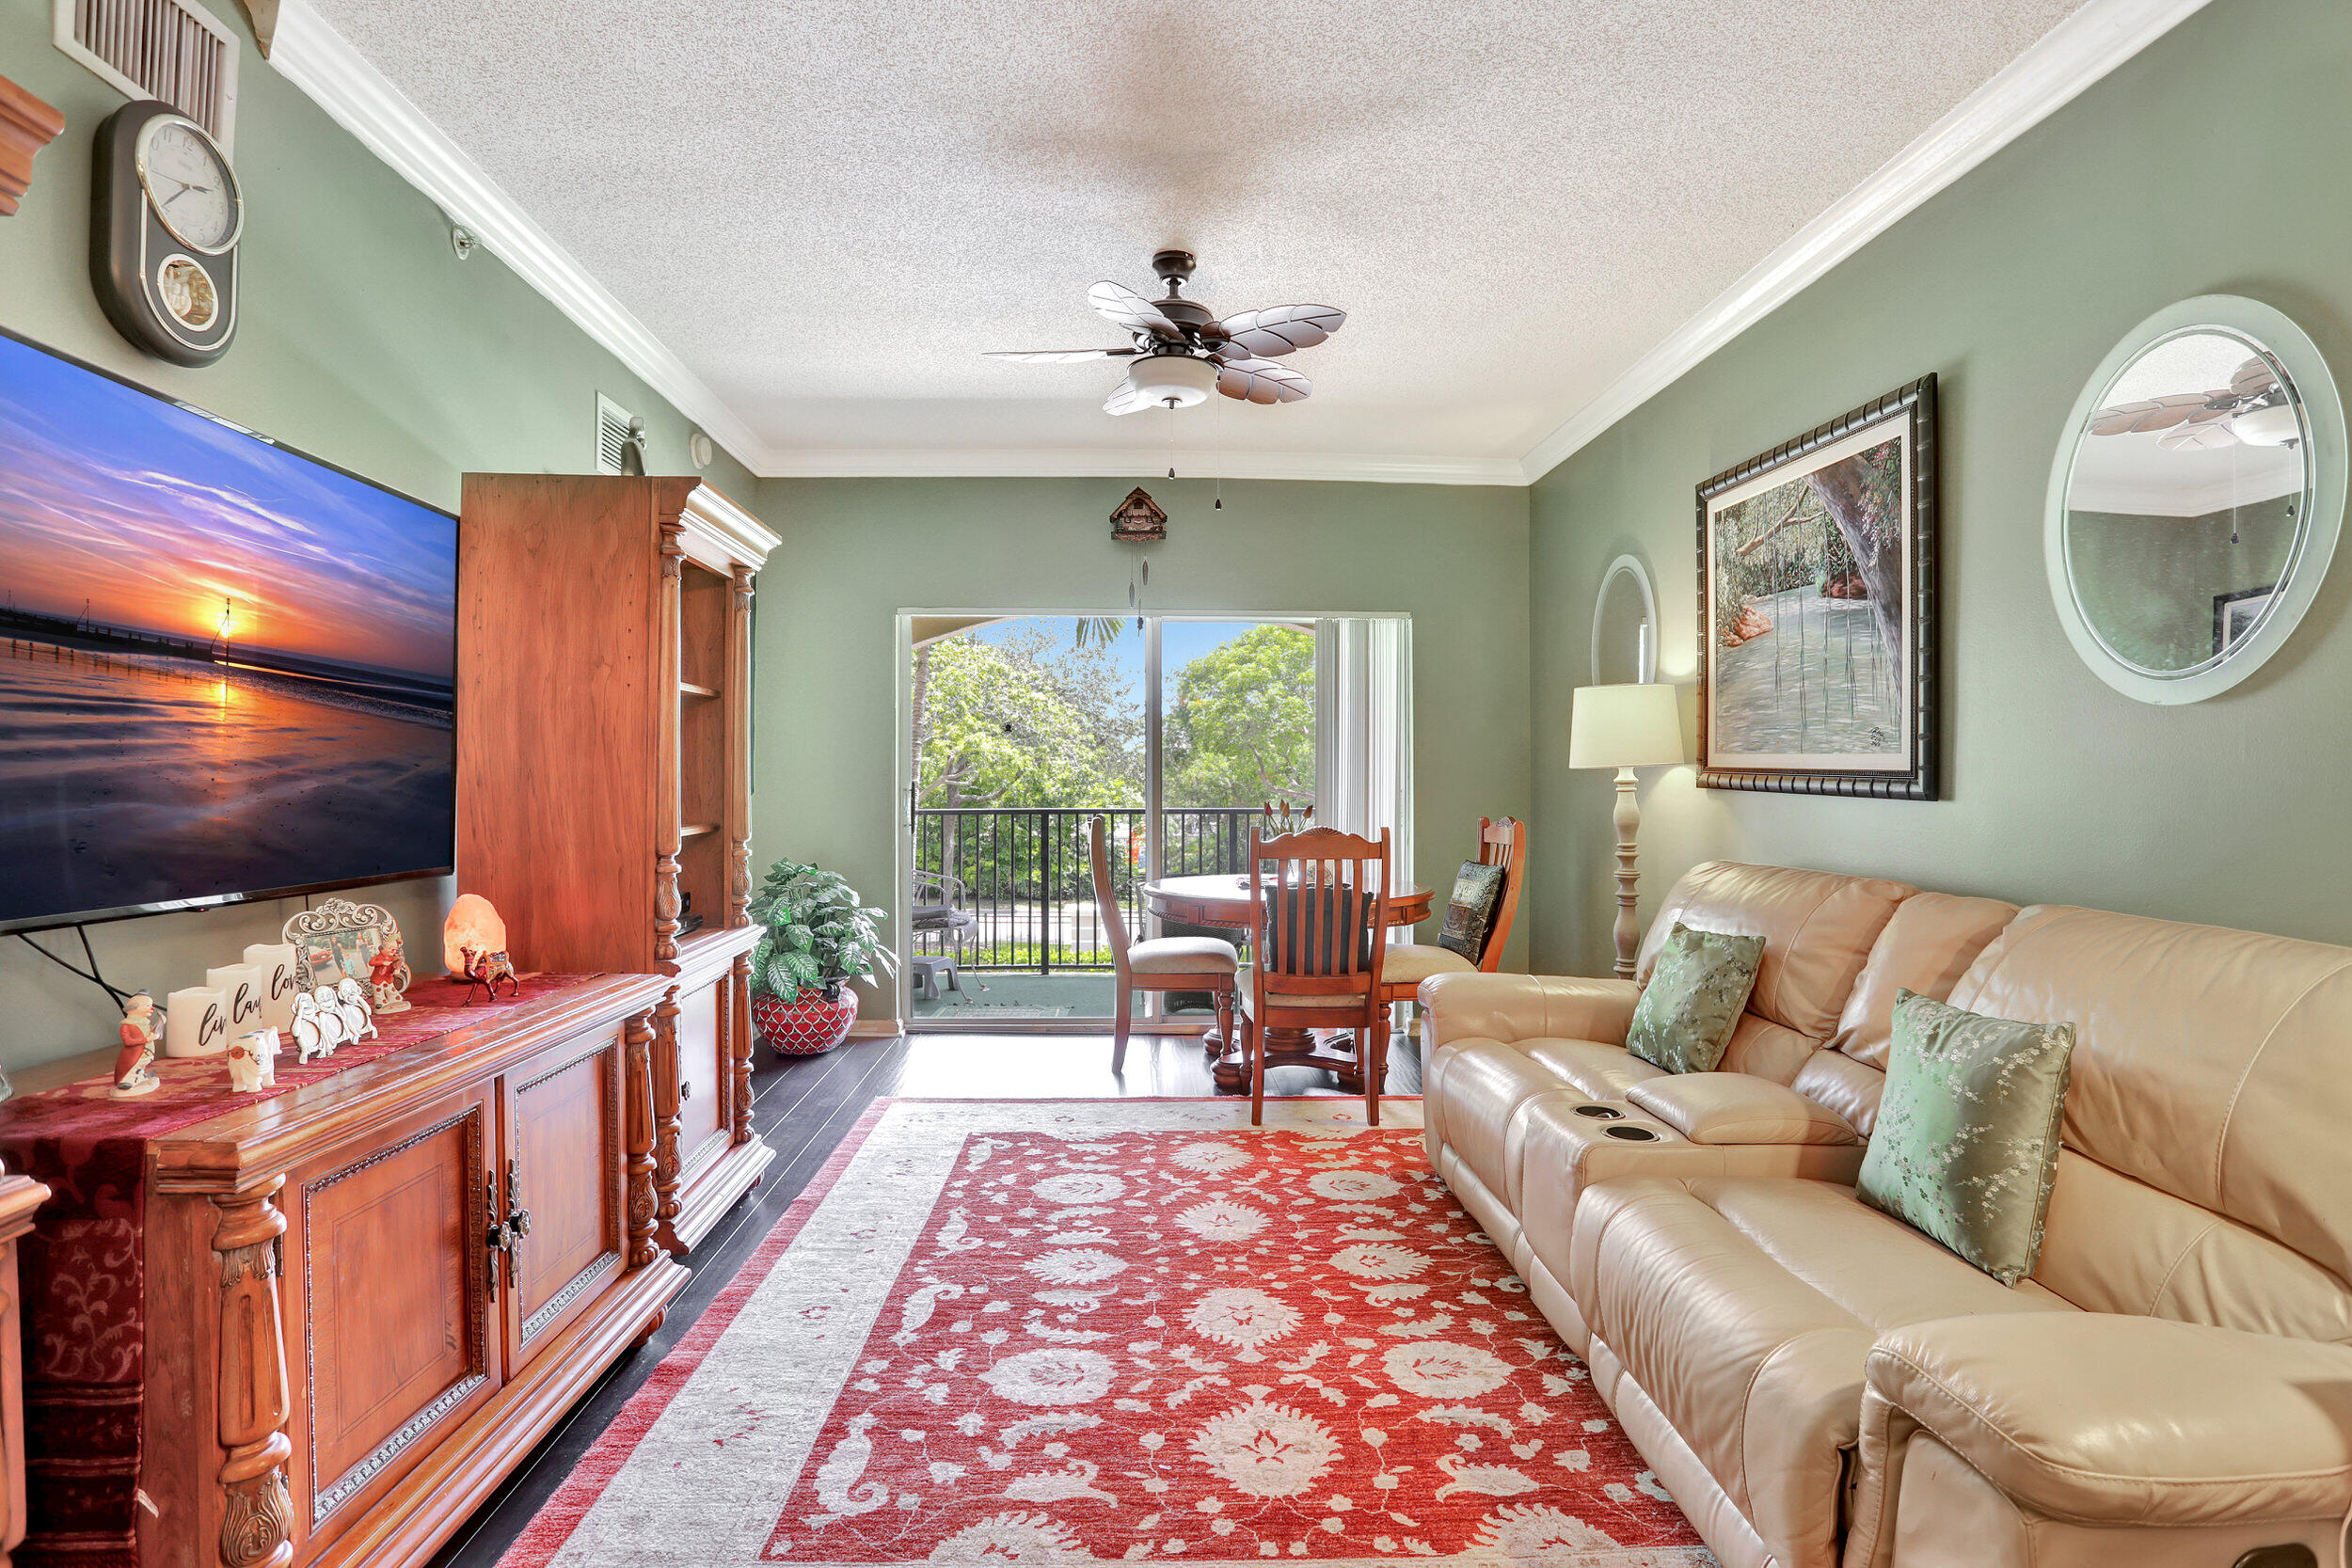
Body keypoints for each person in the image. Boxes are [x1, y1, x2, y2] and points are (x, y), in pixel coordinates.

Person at [113, 990, 163, 1098]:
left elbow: (150, 1033)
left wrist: (161, 1022)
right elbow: (128, 1042)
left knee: (139, 1068)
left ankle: (140, 1077)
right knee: (131, 1069)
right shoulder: (126, 1026)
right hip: (136, 1054)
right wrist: (148, 1039)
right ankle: (126, 1083)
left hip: (146, 1053)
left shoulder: (144, 1023)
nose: (152, 1008)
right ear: (134, 1008)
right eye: (148, 1005)